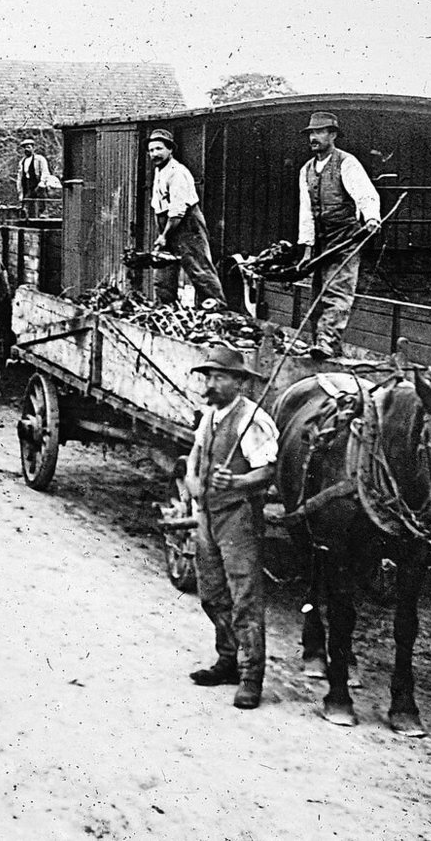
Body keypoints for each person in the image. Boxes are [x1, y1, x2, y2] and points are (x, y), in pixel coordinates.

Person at [185, 347, 279, 710]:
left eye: (219, 377)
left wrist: (237, 481)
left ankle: (251, 677)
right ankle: (227, 660)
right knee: (211, 593)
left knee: (245, 599)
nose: (210, 384)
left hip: (238, 518)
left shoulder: (251, 420)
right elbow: (196, 452)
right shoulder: (209, 415)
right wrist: (193, 479)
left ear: (239, 382)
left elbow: (267, 471)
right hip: (207, 514)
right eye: (208, 377)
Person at [296, 112, 382, 360]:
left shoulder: (347, 163)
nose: (313, 137)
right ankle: (318, 343)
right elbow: (306, 212)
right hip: (322, 240)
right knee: (318, 292)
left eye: (320, 132)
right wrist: (308, 249)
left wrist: (372, 217)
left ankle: (327, 344)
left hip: (345, 238)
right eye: (311, 133)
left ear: (332, 135)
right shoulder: (306, 170)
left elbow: (366, 194)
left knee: (339, 290)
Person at [147, 129, 226, 308]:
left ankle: (217, 310)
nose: (154, 154)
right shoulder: (160, 170)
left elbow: (177, 211)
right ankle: (166, 309)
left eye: (159, 149)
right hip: (167, 224)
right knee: (163, 267)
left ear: (170, 150)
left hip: (186, 225)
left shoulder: (178, 172)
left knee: (199, 269)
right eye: (151, 150)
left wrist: (164, 236)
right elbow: (159, 205)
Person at [17, 139, 50, 219]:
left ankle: (43, 213)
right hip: (27, 184)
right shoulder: (22, 161)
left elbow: (45, 171)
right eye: (25, 148)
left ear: (33, 148)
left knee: (40, 198)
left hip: (37, 182)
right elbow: (20, 176)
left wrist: (42, 182)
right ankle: (27, 214)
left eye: (28, 147)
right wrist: (19, 190)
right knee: (27, 200)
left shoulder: (39, 159)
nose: (26, 149)